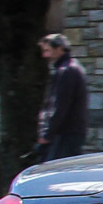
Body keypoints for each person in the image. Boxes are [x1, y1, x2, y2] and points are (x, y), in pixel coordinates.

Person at [27, 33, 90, 165]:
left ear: (60, 48)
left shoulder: (67, 70)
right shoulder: (69, 68)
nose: (45, 55)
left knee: (56, 172)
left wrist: (47, 135)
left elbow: (59, 105)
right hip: (68, 132)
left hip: (65, 133)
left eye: (47, 50)